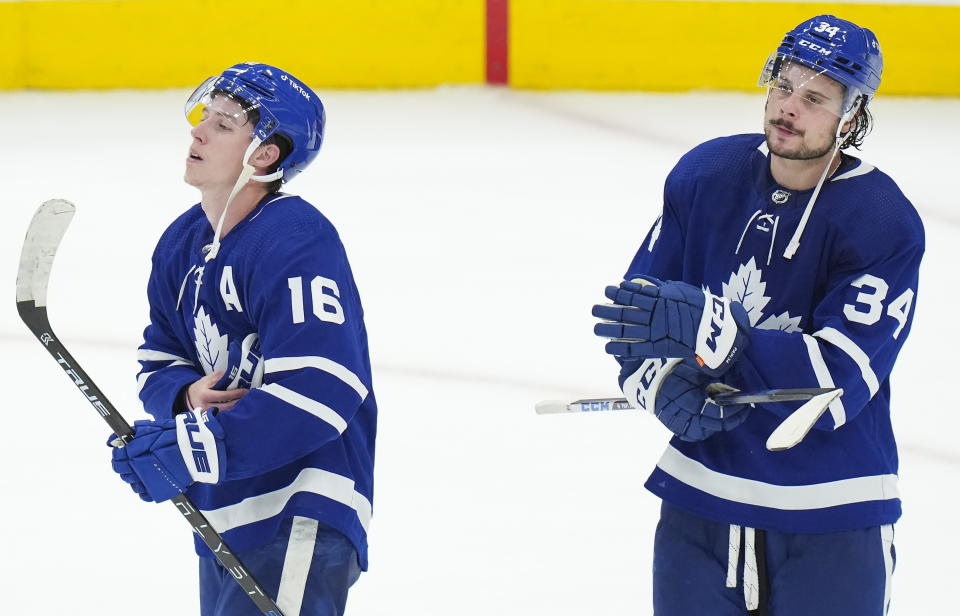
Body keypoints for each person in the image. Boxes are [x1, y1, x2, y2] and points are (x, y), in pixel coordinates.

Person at [592, 16, 923, 616]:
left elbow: (836, 383)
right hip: (701, 503)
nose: (788, 107)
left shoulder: (882, 220)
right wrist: (661, 382)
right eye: (783, 84)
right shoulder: (705, 175)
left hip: (832, 512)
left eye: (815, 97)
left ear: (851, 117)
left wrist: (718, 338)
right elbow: (636, 318)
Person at [109, 62, 377, 616]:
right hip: (225, 511)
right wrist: (183, 400)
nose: (198, 132)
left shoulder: (295, 238)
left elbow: (324, 387)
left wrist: (201, 445)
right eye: (204, 117)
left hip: (301, 505)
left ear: (265, 154)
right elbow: (159, 356)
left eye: (224, 124)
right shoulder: (182, 243)